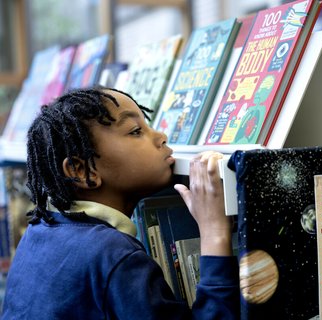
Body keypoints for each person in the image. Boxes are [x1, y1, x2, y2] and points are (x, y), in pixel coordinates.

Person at [2, 86, 239, 319]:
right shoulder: (114, 255)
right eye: (136, 131)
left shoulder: (38, 232)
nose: (160, 136)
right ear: (82, 170)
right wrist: (214, 232)